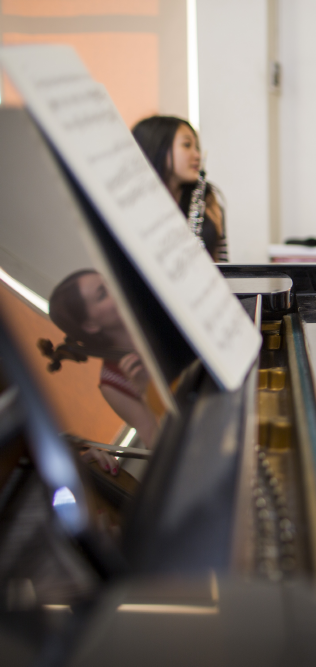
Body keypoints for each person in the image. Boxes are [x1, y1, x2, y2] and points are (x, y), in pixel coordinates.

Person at [49, 270, 158, 474]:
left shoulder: (157, 310)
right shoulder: (113, 382)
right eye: (103, 294)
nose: (115, 289)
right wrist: (146, 392)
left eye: (109, 283)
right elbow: (159, 446)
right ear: (90, 325)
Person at [132, 115, 228, 262]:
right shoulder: (133, 205)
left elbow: (222, 262)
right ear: (157, 147)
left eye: (197, 148)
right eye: (187, 145)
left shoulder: (207, 199)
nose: (197, 156)